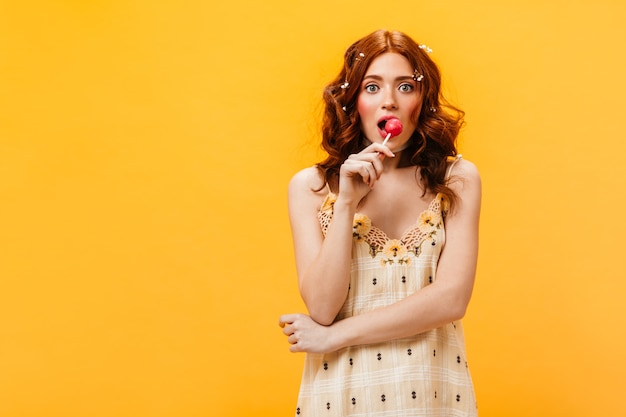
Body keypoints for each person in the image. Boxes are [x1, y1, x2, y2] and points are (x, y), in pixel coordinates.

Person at [279, 29, 481, 417]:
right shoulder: (312, 187)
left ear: (422, 100)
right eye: (372, 87)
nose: (389, 101)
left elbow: (452, 299)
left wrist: (333, 336)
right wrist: (347, 203)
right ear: (353, 101)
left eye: (405, 86)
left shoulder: (457, 179)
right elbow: (321, 307)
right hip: (341, 395)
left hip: (433, 392)